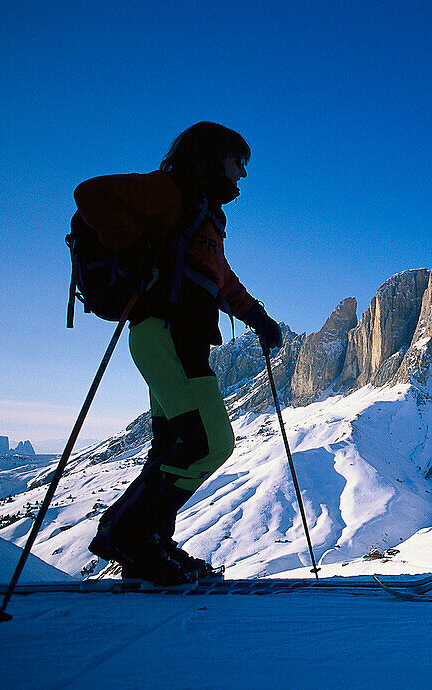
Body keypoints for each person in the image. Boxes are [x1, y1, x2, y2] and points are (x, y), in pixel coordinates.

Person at [76, 122, 283, 584]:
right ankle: (126, 534)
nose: (243, 175)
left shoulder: (203, 215)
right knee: (208, 444)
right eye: (238, 162)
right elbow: (91, 195)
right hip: (163, 335)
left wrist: (259, 319)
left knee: (175, 446)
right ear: (212, 156)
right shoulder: (173, 192)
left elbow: (222, 281)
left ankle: (150, 540)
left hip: (178, 340)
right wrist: (139, 250)